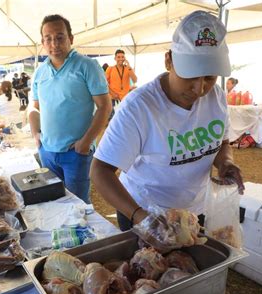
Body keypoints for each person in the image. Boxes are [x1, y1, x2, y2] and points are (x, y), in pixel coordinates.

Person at [90, 10, 245, 231]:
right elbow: (100, 170)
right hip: (145, 213)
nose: (199, 89)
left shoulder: (217, 97)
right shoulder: (139, 107)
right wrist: (140, 217)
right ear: (169, 60)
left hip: (195, 211)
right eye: (190, 75)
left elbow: (222, 143)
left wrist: (226, 163)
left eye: (209, 78)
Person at [29, 14, 111, 204]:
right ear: (42, 42)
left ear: (70, 39)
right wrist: (35, 134)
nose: (54, 44)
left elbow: (104, 107)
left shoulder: (87, 66)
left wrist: (85, 142)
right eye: (48, 39)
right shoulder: (40, 72)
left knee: (78, 206)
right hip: (47, 152)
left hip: (76, 153)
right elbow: (34, 108)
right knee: (53, 202)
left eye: (60, 37)